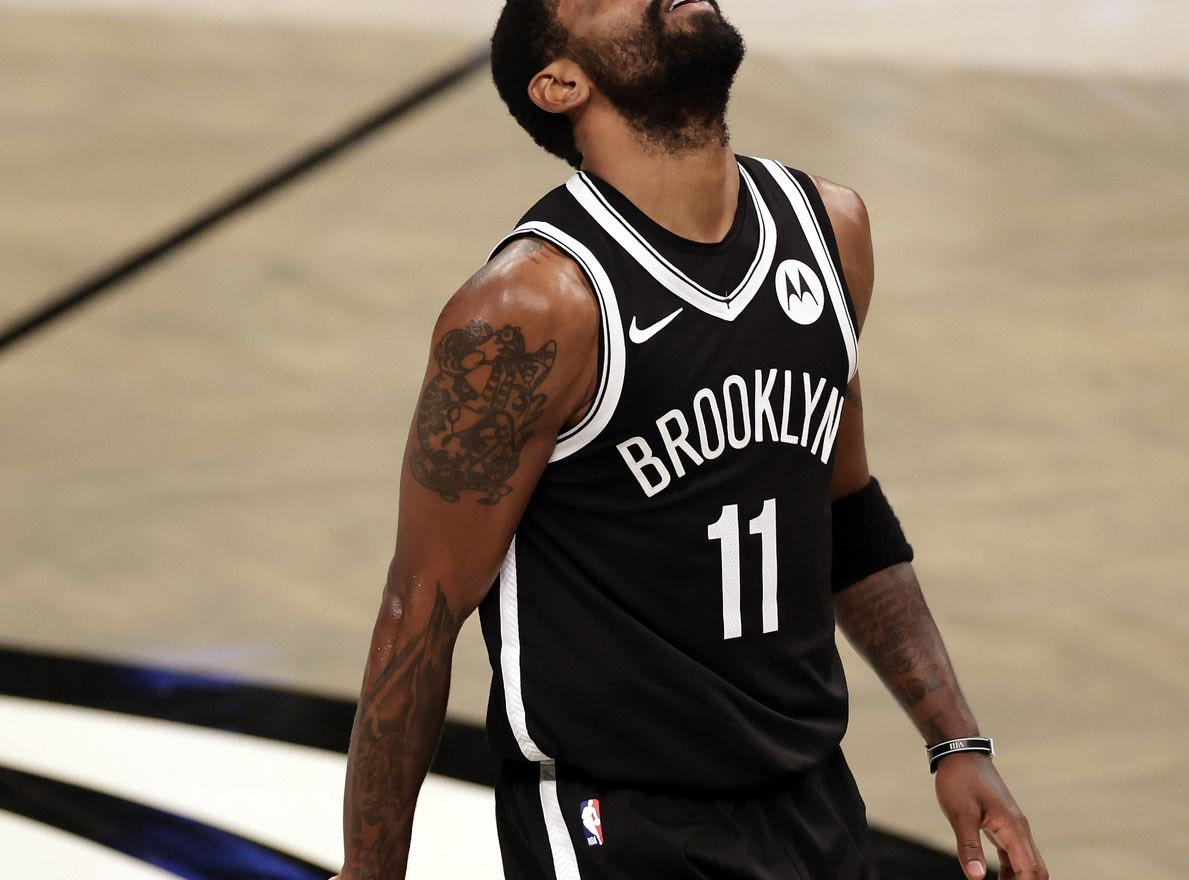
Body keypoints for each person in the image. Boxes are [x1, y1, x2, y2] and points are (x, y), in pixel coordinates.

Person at [332, 1, 1048, 879]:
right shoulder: (531, 309)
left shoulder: (829, 232)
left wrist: (954, 740)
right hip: (617, 824)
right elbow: (419, 614)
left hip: (810, 802)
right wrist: (370, 870)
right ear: (560, 83)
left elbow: (847, 514)